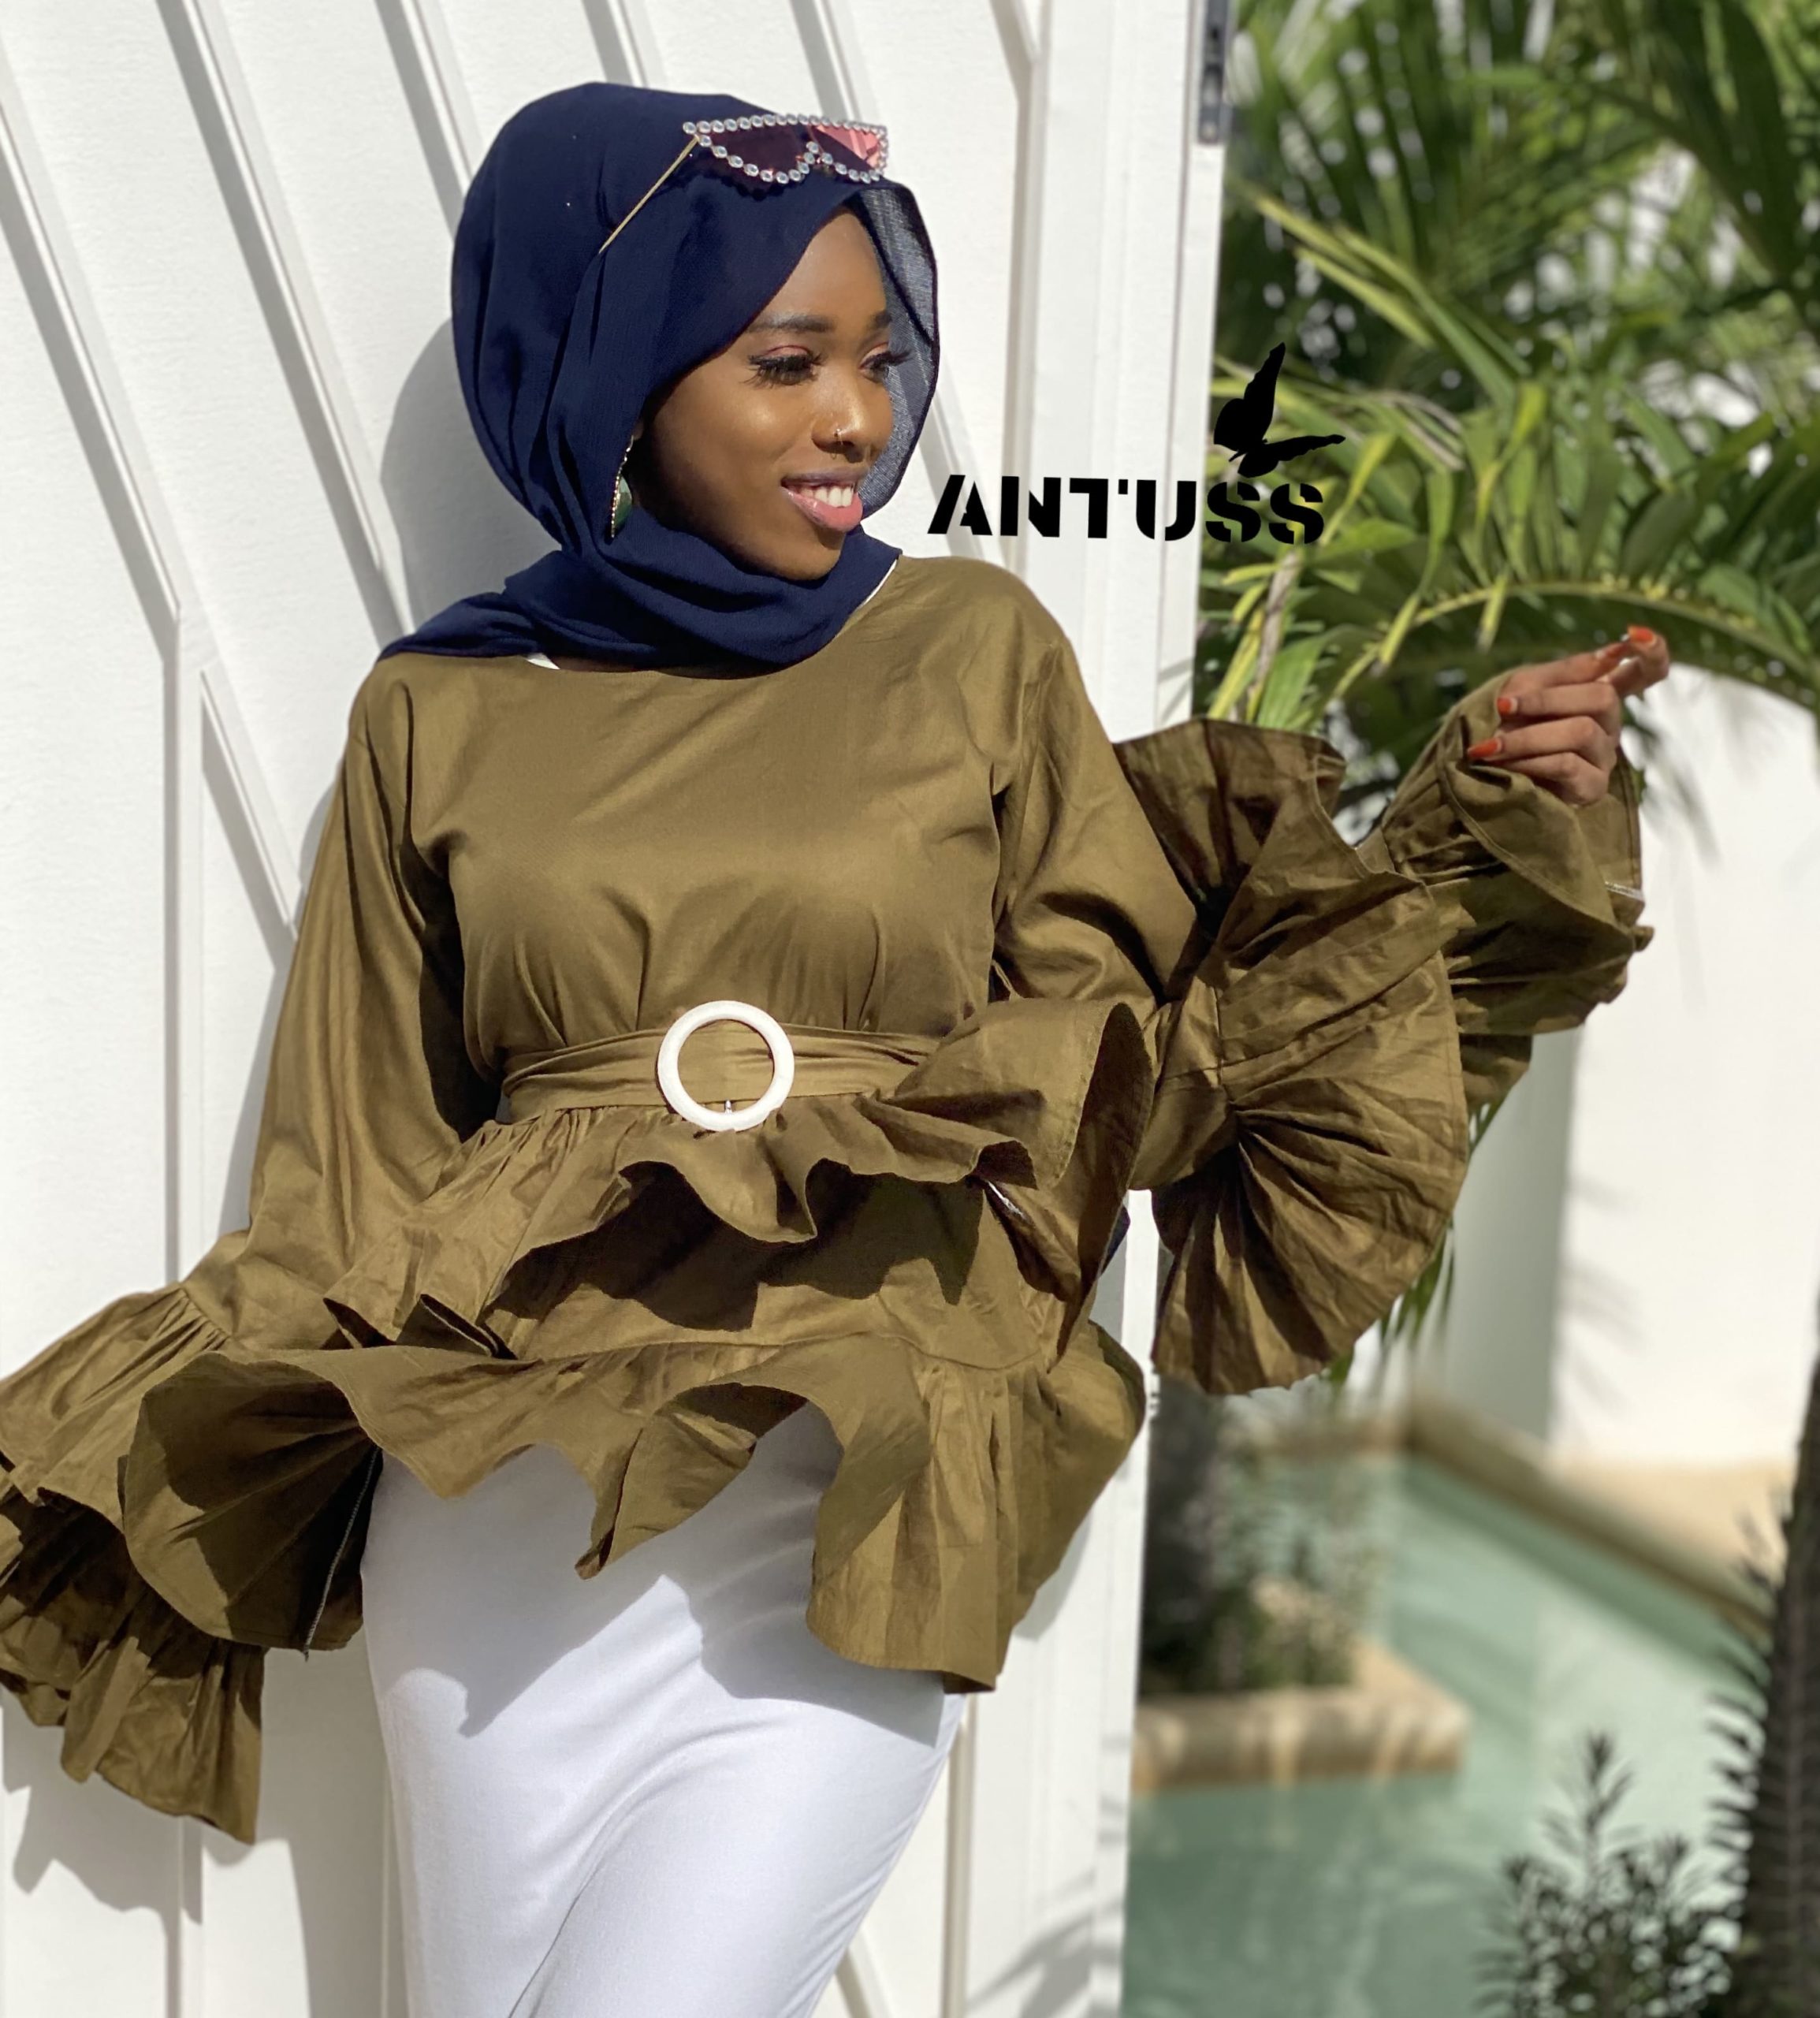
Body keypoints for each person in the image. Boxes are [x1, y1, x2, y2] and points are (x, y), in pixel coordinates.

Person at [0, 80, 1663, 2018]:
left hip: (849, 1481)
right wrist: (153, 1468)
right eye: (787, 361)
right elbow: (350, 1164)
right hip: (504, 1518)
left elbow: (1141, 1037)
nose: (856, 418)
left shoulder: (973, 649)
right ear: (618, 366)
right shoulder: (443, 706)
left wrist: (1466, 825)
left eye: (880, 359)